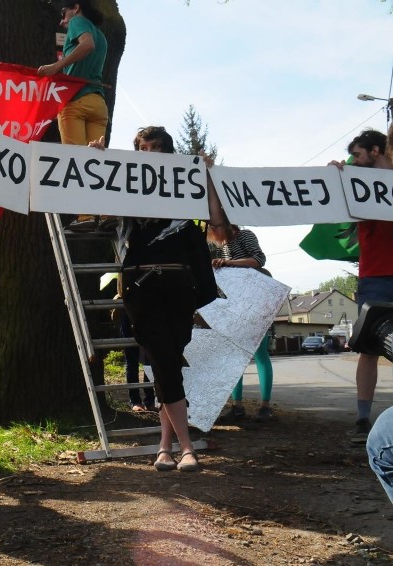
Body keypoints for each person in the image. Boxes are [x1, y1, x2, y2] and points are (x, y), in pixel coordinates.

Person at [89, 126, 224, 473]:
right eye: (142, 147)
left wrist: (206, 177)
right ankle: (188, 446)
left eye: (157, 147)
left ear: (169, 153)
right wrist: (98, 163)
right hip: (140, 286)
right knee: (164, 359)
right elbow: (98, 211)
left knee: (168, 365)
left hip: (180, 287)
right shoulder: (126, 191)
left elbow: (219, 225)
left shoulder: (186, 191)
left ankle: (164, 446)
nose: (149, 152)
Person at [328, 128, 393, 443]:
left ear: (377, 150)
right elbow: (331, 209)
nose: (353, 160)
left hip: (379, 275)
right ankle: (362, 419)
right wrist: (332, 179)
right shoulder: (354, 185)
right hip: (375, 276)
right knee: (368, 348)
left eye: (358, 154)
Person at [38, 0, 110, 232]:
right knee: (97, 160)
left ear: (76, 8)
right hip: (98, 103)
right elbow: (91, 47)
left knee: (77, 161)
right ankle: (107, 213)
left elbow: (86, 45)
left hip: (75, 101)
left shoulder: (79, 22)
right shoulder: (102, 36)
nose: (62, 20)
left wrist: (56, 67)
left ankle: (87, 215)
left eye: (64, 13)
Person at [209, 224, 275, 422]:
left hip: (255, 300)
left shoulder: (245, 235)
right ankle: (236, 406)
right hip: (230, 303)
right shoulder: (213, 246)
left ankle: (265, 406)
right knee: (233, 355)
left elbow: (258, 259)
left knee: (260, 352)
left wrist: (229, 263)